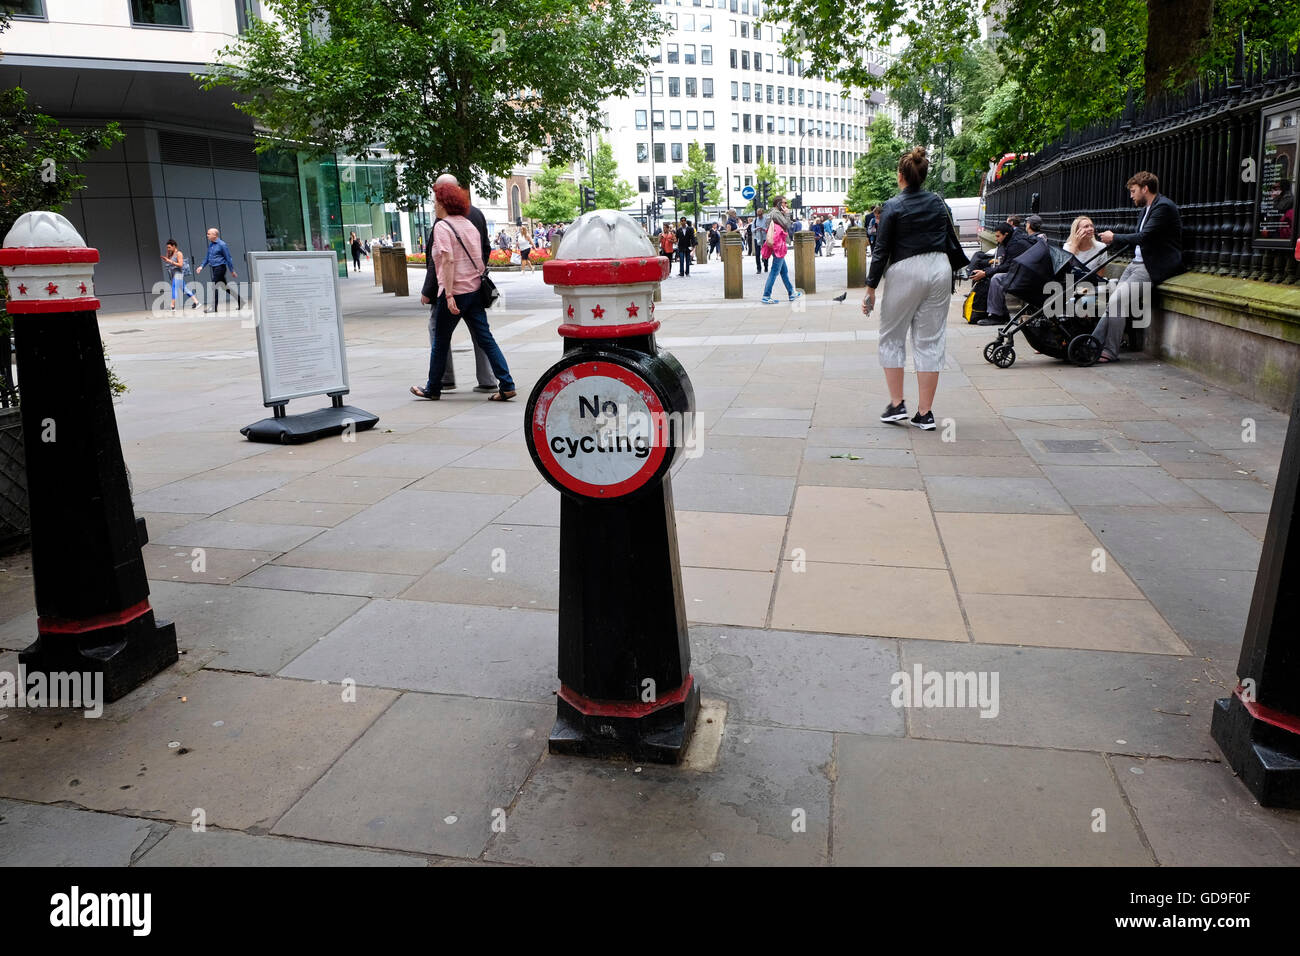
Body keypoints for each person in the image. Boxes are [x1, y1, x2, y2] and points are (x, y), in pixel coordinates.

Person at [863, 146, 964, 432]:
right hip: (940, 267)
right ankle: (926, 413)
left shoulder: (893, 206)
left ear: (901, 176)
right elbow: (948, 236)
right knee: (930, 339)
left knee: (892, 336)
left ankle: (897, 404)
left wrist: (870, 287)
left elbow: (881, 250)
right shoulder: (938, 202)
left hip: (906, 268)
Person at [410, 182, 516, 402]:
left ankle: (433, 388)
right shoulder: (469, 225)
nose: (434, 205)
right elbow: (479, 257)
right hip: (475, 290)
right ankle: (507, 384)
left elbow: (447, 260)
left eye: (435, 201)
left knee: (440, 341)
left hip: (455, 293)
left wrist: (448, 294)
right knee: (486, 338)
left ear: (444, 203)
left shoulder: (442, 227)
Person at [1092, 170, 1184, 363]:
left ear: (1145, 188)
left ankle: (1109, 350)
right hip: (1136, 263)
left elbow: (1144, 237)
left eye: (1133, 191)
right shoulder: (1145, 209)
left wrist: (1114, 238)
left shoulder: (1164, 207)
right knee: (1114, 303)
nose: (1131, 195)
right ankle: (1093, 343)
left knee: (1117, 302)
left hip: (1150, 267)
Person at [420, 173, 498, 393]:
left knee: (438, 332)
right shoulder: (477, 214)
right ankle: (489, 379)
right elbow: (485, 248)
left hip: (452, 289)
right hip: (474, 286)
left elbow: (439, 260)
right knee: (481, 334)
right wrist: (478, 274)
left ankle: (443, 379)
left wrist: (430, 291)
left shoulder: (443, 220)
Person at [975, 214, 1047, 326]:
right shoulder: (1013, 239)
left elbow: (1008, 266)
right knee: (997, 276)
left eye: (998, 236)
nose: (996, 239)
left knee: (997, 279)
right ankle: (1001, 314)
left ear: (1006, 234)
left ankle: (996, 316)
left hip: (1031, 276)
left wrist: (986, 273)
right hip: (1029, 272)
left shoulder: (1015, 244)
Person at [760, 196, 803, 304]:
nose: (786, 205)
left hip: (777, 245)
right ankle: (766, 295)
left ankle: (791, 293)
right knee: (775, 271)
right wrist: (787, 213)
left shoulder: (772, 213)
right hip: (778, 246)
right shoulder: (776, 213)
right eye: (784, 203)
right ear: (779, 203)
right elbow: (787, 225)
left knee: (784, 271)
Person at [194, 227, 238, 313]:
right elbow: (207, 257)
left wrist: (232, 270)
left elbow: (228, 258)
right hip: (214, 268)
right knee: (225, 287)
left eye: (208, 234)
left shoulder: (222, 245)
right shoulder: (211, 245)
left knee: (214, 285)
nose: (207, 235)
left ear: (215, 235)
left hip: (220, 267)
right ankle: (240, 300)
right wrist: (201, 266)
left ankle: (214, 307)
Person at [160, 239, 200, 311]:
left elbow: (180, 264)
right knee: (185, 289)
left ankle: (172, 306)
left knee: (174, 288)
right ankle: (196, 302)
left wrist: (170, 261)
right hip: (173, 273)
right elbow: (169, 263)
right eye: (167, 247)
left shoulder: (179, 253)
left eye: (169, 247)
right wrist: (167, 258)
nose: (168, 249)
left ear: (174, 246)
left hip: (178, 273)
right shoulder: (170, 253)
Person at [751, 206, 770, 273]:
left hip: (765, 238)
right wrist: (756, 229)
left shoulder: (766, 219)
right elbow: (752, 230)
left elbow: (769, 229)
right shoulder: (755, 220)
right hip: (757, 238)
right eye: (758, 215)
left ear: (763, 213)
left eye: (760, 214)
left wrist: (763, 229)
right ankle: (758, 269)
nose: (759, 216)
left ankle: (766, 266)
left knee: (765, 253)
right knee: (757, 254)